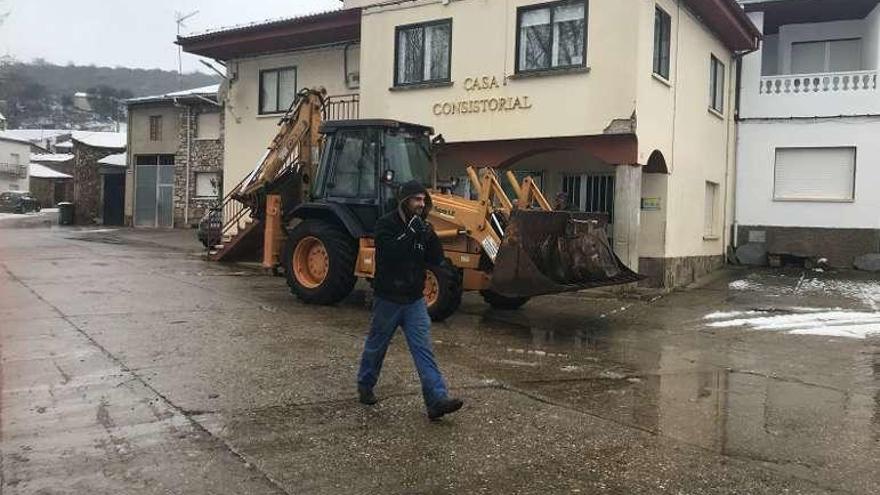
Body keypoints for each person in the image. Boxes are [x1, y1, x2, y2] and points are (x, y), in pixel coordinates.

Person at [356, 180, 464, 421]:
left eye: (423, 200)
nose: (421, 204)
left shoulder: (422, 226)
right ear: (405, 201)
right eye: (416, 199)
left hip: (414, 300)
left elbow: (435, 259)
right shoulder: (386, 224)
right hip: (388, 299)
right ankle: (365, 384)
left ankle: (436, 400)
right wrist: (410, 233)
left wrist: (431, 236)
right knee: (376, 346)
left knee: (423, 350)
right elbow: (390, 254)